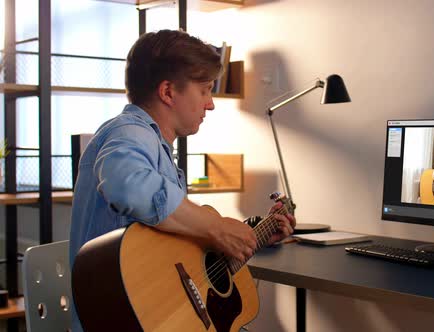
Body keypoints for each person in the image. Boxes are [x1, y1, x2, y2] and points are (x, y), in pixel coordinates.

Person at [69, 29, 296, 331]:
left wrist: (254, 238)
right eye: (204, 90)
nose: (210, 103)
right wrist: (216, 227)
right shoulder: (128, 132)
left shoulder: (160, 150)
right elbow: (125, 182)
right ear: (167, 92)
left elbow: (185, 269)